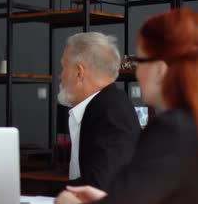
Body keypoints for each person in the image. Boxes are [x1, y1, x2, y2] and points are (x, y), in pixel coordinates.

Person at [53, 9, 198, 204]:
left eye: (139, 60)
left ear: (160, 70)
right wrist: (109, 202)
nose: (136, 71)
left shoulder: (173, 130)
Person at [56, 32, 140, 191]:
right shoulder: (107, 106)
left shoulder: (111, 113)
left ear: (79, 72)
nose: (60, 76)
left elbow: (100, 185)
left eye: (63, 67)